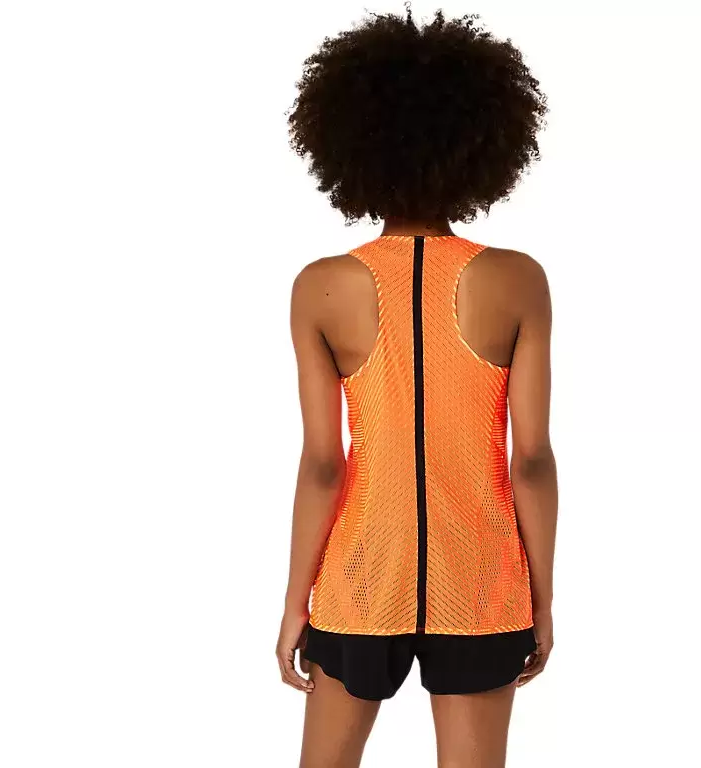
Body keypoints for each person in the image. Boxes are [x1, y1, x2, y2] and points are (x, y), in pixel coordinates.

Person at [277, 7, 558, 767]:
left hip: (361, 578)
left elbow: (323, 464)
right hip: (483, 580)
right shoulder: (518, 281)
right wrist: (541, 595)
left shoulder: (320, 287)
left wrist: (296, 601)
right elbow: (531, 458)